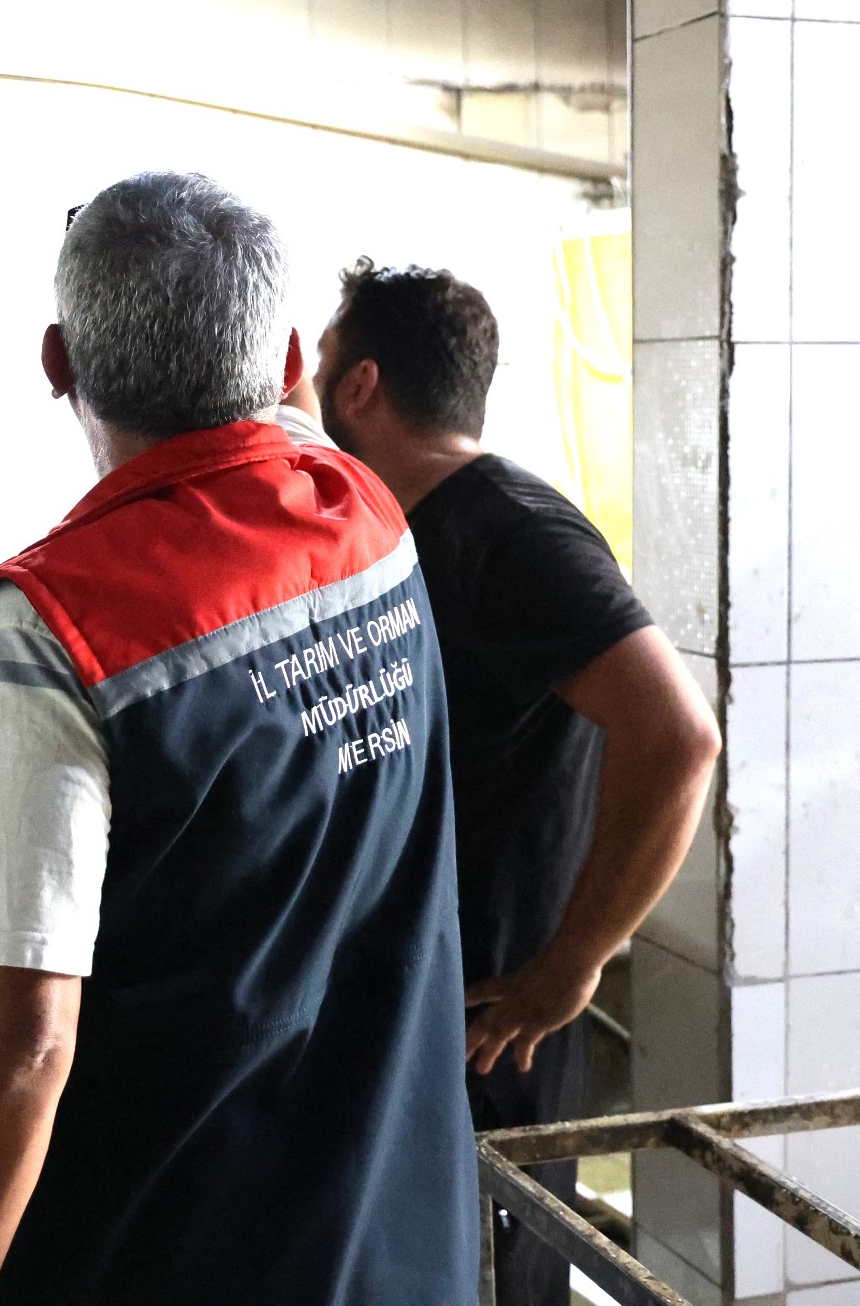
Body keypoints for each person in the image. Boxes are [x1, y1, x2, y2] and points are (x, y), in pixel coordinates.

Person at [0, 174, 479, 1306]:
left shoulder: (53, 633)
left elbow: (10, 1043)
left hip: (171, 1254)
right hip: (393, 1244)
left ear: (57, 363)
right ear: (294, 360)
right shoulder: (361, 512)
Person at [314, 259, 721, 1306]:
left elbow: (680, 739)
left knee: (502, 1274)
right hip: (413, 1004)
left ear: (360, 385)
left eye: (322, 365)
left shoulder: (516, 530)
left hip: (496, 1021)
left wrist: (574, 961)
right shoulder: (399, 530)